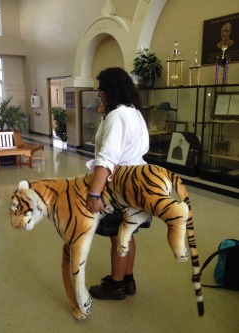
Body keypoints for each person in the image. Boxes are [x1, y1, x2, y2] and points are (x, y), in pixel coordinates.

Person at [86, 67, 151, 300]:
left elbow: (107, 159)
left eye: (101, 89)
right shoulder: (133, 112)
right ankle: (127, 279)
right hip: (136, 181)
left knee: (118, 237)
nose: (99, 94)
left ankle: (115, 286)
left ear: (111, 90)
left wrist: (94, 194)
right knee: (127, 234)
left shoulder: (117, 116)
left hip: (120, 186)